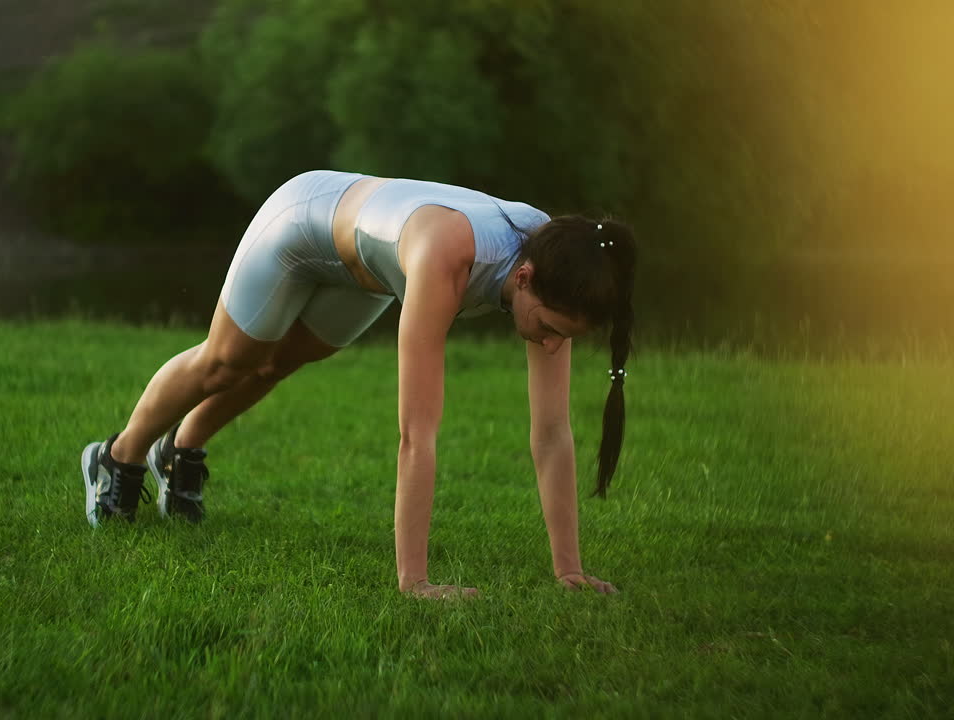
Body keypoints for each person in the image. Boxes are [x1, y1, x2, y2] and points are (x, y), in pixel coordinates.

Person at [80, 170, 635, 598]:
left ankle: (179, 450)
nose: (551, 345)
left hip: (365, 271)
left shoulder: (559, 259)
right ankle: (117, 457)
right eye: (550, 329)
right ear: (523, 278)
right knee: (228, 361)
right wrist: (415, 582)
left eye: (565, 337)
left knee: (278, 364)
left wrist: (569, 570)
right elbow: (416, 435)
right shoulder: (449, 258)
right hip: (304, 221)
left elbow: (552, 432)